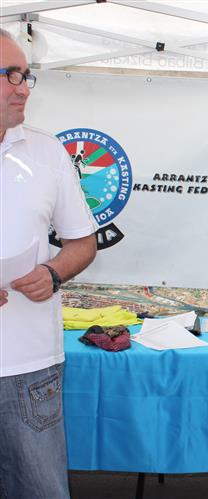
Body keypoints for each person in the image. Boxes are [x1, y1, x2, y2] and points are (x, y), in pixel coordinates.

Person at [0, 29, 98, 499]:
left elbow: (83, 243)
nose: (23, 88)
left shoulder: (47, 152)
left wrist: (53, 272)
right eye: (10, 74)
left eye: (25, 75)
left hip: (31, 367)